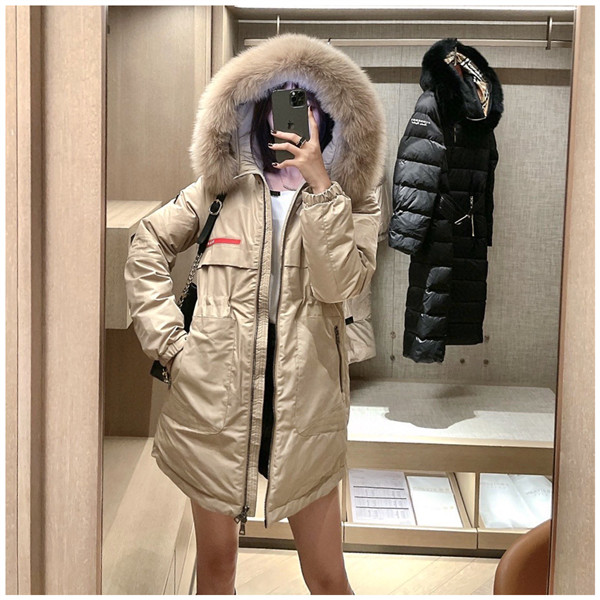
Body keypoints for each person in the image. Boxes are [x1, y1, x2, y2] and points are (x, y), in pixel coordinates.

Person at [124, 33, 386, 595]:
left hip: (307, 401)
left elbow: (341, 284)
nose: (293, 114)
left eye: (307, 102)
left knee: (327, 576)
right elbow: (148, 243)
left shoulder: (354, 197)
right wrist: (172, 345)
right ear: (257, 110)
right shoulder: (222, 189)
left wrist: (320, 185)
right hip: (215, 398)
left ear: (330, 116)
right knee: (216, 569)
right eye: (281, 100)